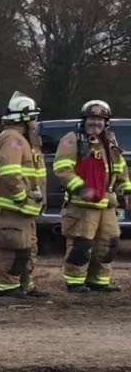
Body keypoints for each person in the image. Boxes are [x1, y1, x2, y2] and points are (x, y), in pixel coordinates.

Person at [51, 100, 131, 292]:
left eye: (100, 119)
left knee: (109, 243)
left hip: (107, 205)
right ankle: (75, 282)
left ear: (106, 122)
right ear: (84, 120)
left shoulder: (110, 141)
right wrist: (81, 189)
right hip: (82, 205)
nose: (95, 123)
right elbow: (62, 168)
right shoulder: (72, 139)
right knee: (81, 244)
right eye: (92, 119)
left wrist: (126, 190)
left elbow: (120, 169)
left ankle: (99, 281)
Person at [0, 92, 47, 297]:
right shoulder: (13, 139)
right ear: (24, 117)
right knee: (12, 248)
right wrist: (22, 197)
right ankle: (6, 286)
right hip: (12, 207)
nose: (36, 122)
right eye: (34, 117)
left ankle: (24, 285)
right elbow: (10, 172)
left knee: (26, 247)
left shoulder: (23, 140)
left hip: (24, 209)